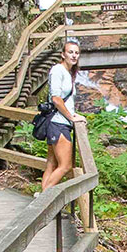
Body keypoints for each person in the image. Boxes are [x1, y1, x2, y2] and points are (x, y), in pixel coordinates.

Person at [40, 39, 84, 189]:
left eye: (76, 53)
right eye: (70, 52)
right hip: (58, 123)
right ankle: (45, 198)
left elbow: (67, 101)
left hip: (60, 121)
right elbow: (56, 99)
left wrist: (74, 114)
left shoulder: (67, 72)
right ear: (63, 54)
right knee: (65, 166)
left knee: (52, 164)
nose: (74, 55)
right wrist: (71, 117)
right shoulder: (58, 70)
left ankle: (41, 198)